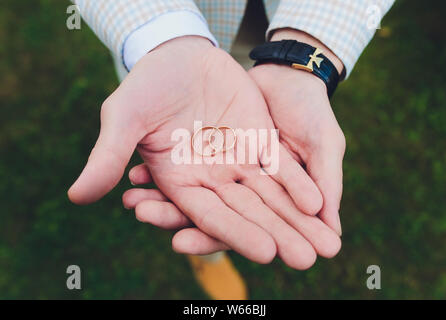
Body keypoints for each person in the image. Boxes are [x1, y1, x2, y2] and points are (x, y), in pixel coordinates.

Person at [68, 0, 394, 299]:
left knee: (228, 190)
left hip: (279, 24)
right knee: (193, 190)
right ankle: (208, 254)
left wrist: (306, 48)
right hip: (166, 42)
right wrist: (164, 37)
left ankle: (208, 248)